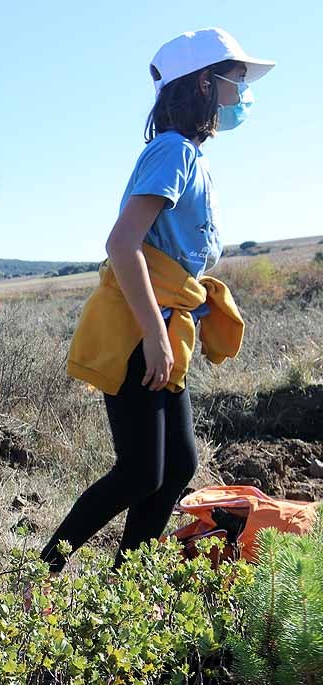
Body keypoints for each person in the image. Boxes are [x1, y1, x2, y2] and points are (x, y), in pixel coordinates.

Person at [39, 28, 267, 573]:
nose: (241, 91)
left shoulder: (189, 153)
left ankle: (124, 588)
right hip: (143, 328)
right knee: (141, 471)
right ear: (200, 86)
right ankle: (42, 570)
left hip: (162, 323)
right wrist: (155, 334)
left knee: (177, 463)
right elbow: (123, 243)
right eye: (233, 78)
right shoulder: (170, 150)